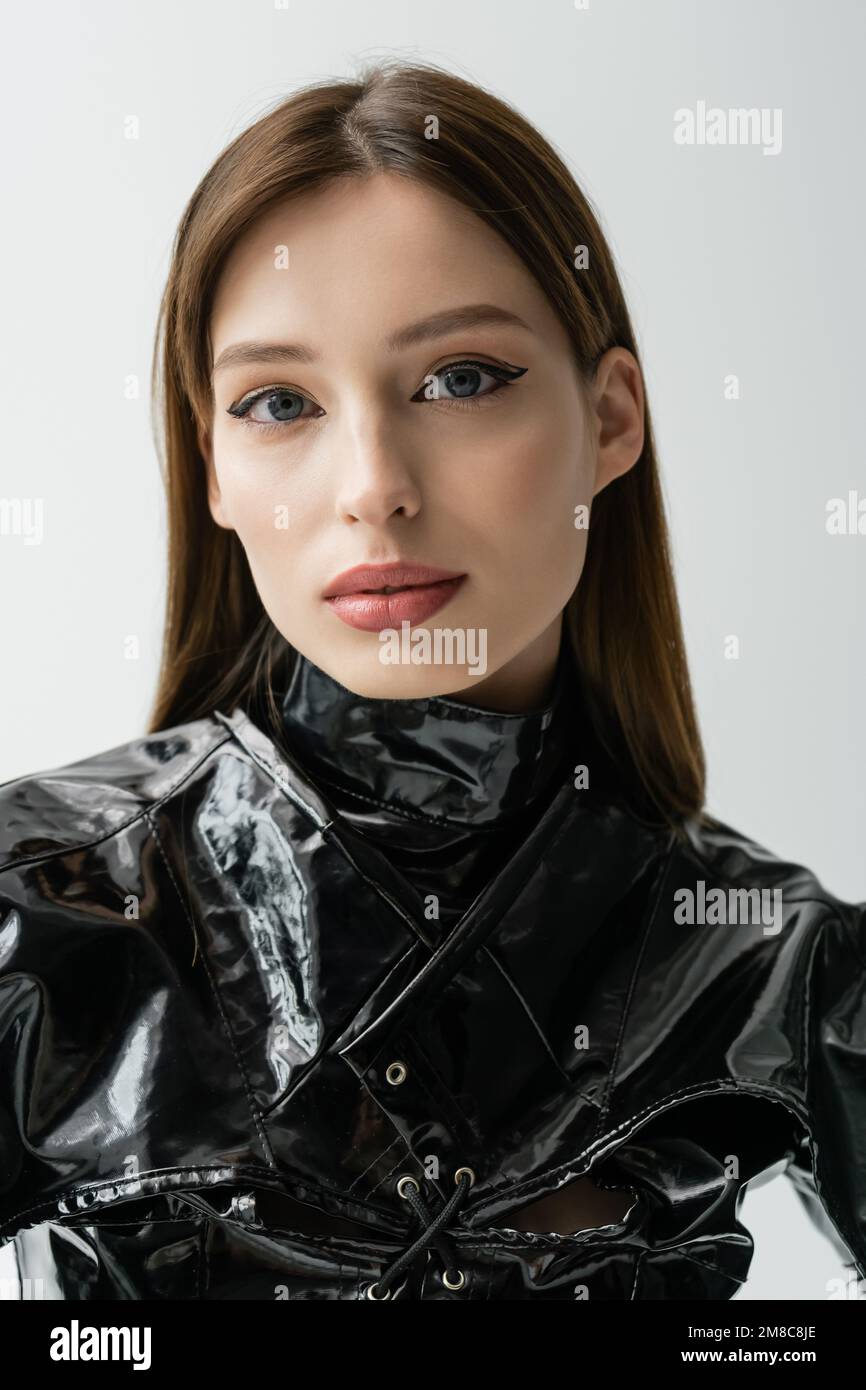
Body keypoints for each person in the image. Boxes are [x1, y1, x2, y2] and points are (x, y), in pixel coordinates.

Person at [0, 59, 863, 1301]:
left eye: (459, 378)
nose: (372, 482)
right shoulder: (43, 916)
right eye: (279, 401)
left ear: (611, 419)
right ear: (214, 472)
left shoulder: (776, 965)